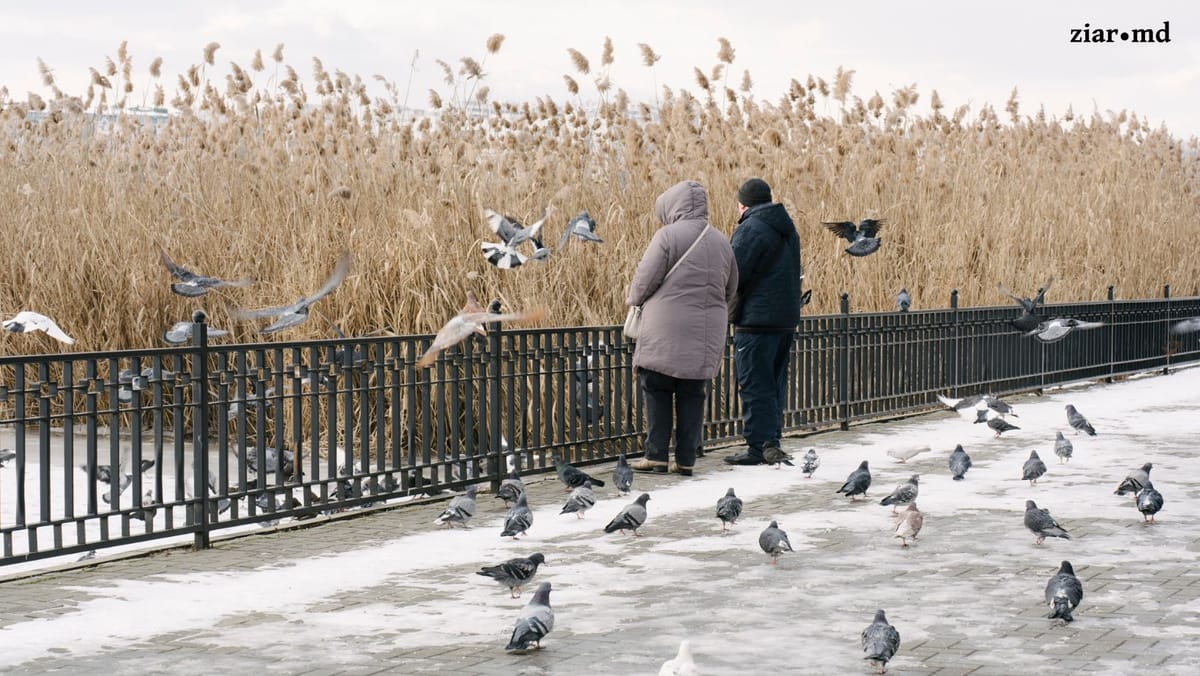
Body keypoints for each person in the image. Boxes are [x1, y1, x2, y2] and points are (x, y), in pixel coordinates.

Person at [626, 180, 738, 476]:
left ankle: (657, 456)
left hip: (666, 325)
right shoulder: (721, 241)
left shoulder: (667, 236)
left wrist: (633, 300)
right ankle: (687, 459)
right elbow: (731, 288)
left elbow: (645, 278)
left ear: (672, 206)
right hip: (707, 329)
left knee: (658, 388)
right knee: (693, 392)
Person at [724, 178, 803, 466]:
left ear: (744, 203)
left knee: (755, 383)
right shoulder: (788, 229)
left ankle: (757, 447)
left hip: (756, 320)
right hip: (784, 320)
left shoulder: (751, 229)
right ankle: (772, 442)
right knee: (774, 383)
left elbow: (734, 274)